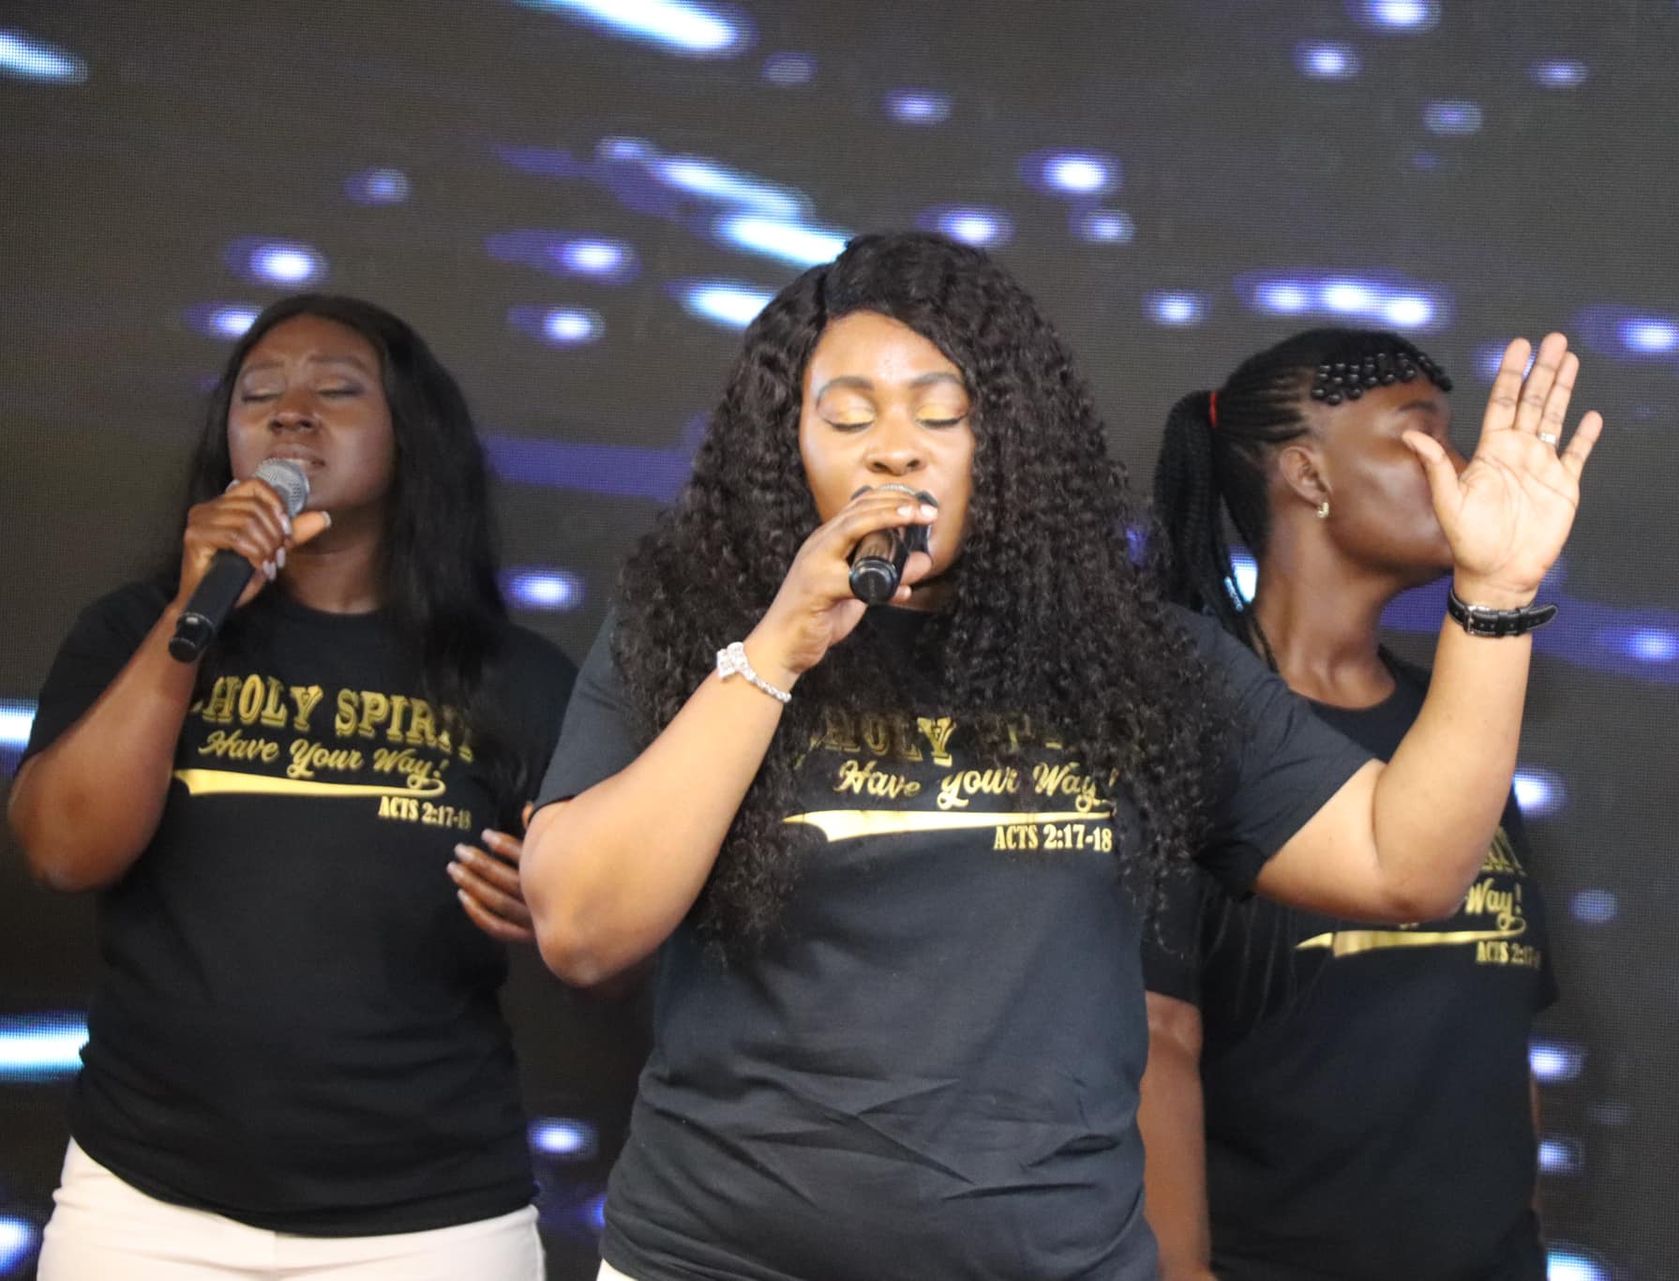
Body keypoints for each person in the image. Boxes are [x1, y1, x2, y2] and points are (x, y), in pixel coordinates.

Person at [520, 232, 1601, 1281]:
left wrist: (1494, 597)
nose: (894, 447)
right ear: (784, 445)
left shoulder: (1135, 659)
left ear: (1010, 435)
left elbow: (1407, 865)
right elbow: (582, 929)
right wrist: (773, 654)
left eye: (942, 413)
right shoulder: (690, 630)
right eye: (847, 416)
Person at [9, 294, 576, 1280]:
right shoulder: (133, 630)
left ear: (412, 433)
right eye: (257, 393)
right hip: (144, 1205)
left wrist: (564, 902)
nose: (291, 411)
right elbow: (64, 851)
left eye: (338, 391)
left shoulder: (511, 675)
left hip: (432, 1222)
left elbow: (620, 937)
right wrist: (190, 616)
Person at [1138, 328, 1563, 1281]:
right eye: (1421, 436)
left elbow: (1503, 1030)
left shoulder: (1454, 728)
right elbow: (1155, 1036)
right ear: (1308, 473)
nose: (1457, 470)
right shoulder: (1190, 718)